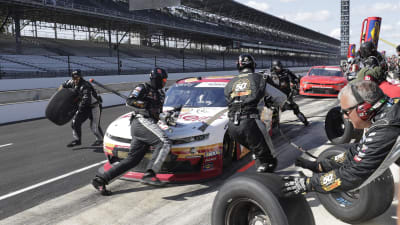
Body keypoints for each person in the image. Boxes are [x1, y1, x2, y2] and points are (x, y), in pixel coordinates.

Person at [282, 80, 400, 196]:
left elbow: (354, 175)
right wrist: (321, 166)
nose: (344, 116)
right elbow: (358, 151)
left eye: (346, 111)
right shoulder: (389, 109)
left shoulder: (387, 128)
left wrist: (309, 184)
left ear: (363, 109)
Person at [92, 68, 170, 195]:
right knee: (165, 142)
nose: (165, 82)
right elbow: (130, 102)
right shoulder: (143, 87)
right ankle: (150, 174)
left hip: (148, 125)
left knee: (133, 160)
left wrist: (165, 116)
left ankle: (101, 180)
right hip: (141, 121)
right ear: (156, 79)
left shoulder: (161, 94)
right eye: (164, 80)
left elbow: (158, 113)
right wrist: (145, 105)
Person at [224, 54, 287, 173]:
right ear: (253, 65)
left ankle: (258, 163)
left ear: (239, 66)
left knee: (258, 152)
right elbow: (281, 97)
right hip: (251, 123)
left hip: (232, 127)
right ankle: (265, 180)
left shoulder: (230, 83)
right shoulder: (260, 78)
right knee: (270, 160)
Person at [62, 70, 104, 147]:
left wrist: (74, 110)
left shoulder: (85, 86)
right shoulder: (71, 82)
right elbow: (64, 84)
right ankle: (77, 140)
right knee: (75, 123)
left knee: (94, 126)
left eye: (77, 78)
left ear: (81, 77)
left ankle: (101, 140)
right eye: (74, 78)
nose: (75, 79)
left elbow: (86, 100)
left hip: (94, 106)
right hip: (85, 106)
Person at [270, 60, 309, 126]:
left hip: (287, 95)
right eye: (277, 67)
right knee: (274, 110)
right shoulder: (270, 75)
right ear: (274, 67)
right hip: (276, 96)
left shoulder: (286, 72)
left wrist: (295, 83)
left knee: (294, 107)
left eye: (280, 66)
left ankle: (304, 120)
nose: (279, 68)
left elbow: (295, 78)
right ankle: (272, 124)